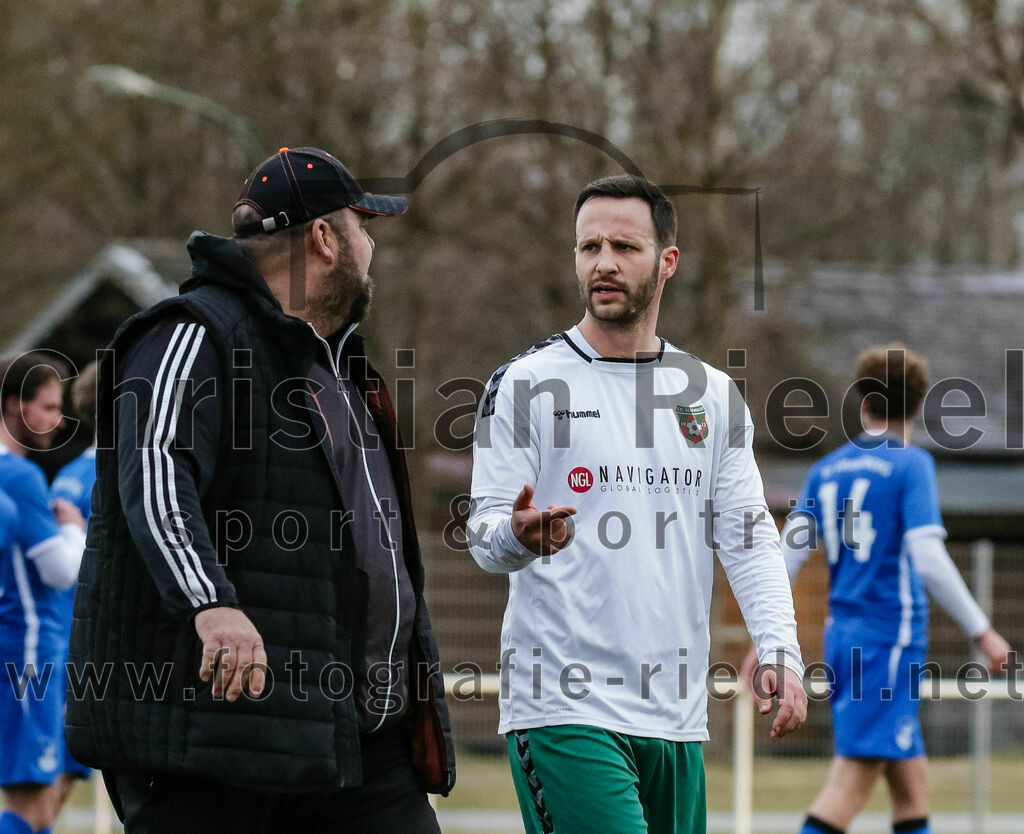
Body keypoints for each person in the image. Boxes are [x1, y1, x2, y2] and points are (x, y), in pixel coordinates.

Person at [66, 146, 455, 833]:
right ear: (326, 239)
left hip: (356, 744)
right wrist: (209, 602)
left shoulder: (338, 368)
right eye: (365, 229)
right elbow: (155, 473)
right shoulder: (192, 333)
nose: (373, 249)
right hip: (217, 751)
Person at [468, 174, 807, 834]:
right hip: (566, 710)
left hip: (676, 720)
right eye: (588, 246)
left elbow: (748, 538)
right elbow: (483, 534)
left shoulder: (709, 394)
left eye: (624, 246)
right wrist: (515, 534)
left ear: (667, 261)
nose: (603, 263)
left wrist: (779, 649)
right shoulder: (525, 384)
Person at [745, 345, 1013, 834]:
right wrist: (983, 632)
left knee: (911, 784)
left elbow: (785, 556)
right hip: (888, 640)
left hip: (844, 638)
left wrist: (765, 642)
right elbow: (928, 557)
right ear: (915, 408)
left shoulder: (826, 470)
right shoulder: (911, 465)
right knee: (851, 781)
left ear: (863, 403)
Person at [0, 352, 86, 834]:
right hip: (28, 651)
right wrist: (76, 531)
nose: (58, 420)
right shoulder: (18, 475)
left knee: (44, 800)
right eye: (50, 407)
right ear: (17, 405)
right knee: (31, 807)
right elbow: (59, 572)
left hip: (19, 649)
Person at [48, 362, 99, 798]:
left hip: (72, 640)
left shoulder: (72, 473)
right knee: (48, 793)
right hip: (77, 643)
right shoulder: (103, 475)